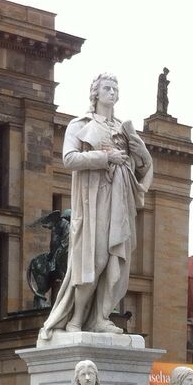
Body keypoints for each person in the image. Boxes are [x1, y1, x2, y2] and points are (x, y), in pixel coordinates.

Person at [38, 73, 153, 342]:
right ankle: (76, 319)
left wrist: (140, 153)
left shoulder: (124, 130)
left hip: (120, 199)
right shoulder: (80, 125)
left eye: (115, 88)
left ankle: (101, 318)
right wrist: (105, 157)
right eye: (106, 88)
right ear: (95, 93)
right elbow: (69, 159)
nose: (112, 92)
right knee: (94, 259)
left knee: (116, 259)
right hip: (93, 202)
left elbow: (143, 166)